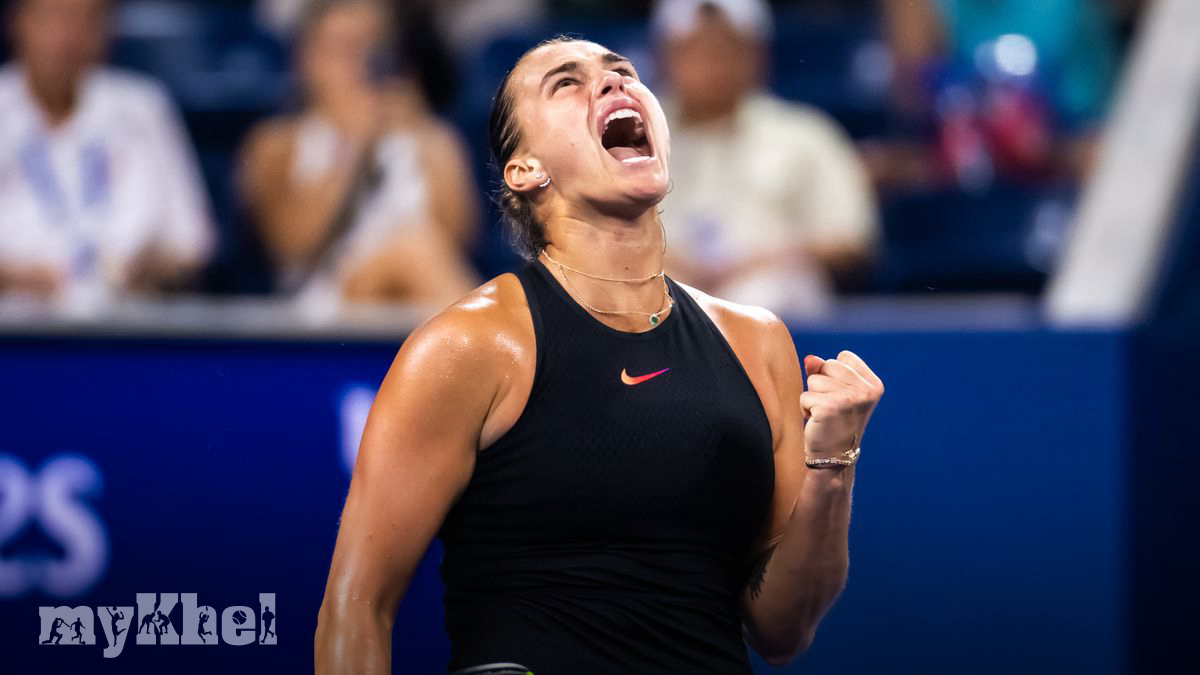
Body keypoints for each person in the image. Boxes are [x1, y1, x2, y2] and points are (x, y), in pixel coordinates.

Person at [315, 37, 884, 673]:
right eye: (567, 83)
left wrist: (832, 461)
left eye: (624, 74)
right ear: (525, 169)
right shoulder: (469, 345)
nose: (614, 85)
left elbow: (782, 629)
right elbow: (358, 606)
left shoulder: (757, 343)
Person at [240, 0, 479, 309]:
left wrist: (422, 134)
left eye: (369, 47)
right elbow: (292, 247)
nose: (358, 64)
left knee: (419, 250)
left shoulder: (428, 136)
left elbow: (458, 239)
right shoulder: (277, 141)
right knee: (412, 251)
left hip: (420, 303)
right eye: (343, 49)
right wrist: (354, 144)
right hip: (322, 304)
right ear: (307, 59)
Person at [652, 0, 880, 315]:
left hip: (771, 288)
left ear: (756, 55)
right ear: (665, 56)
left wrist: (763, 261)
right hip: (662, 284)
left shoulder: (805, 134)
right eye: (695, 50)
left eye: (726, 50)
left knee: (763, 295)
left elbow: (851, 240)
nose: (711, 64)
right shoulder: (633, 136)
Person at [0, 0, 215, 301]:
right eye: (55, 18)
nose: (68, 37)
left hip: (126, 326)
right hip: (16, 329)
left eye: (86, 21)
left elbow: (192, 246)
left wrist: (147, 269)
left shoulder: (143, 106)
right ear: (18, 23)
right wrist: (12, 277)